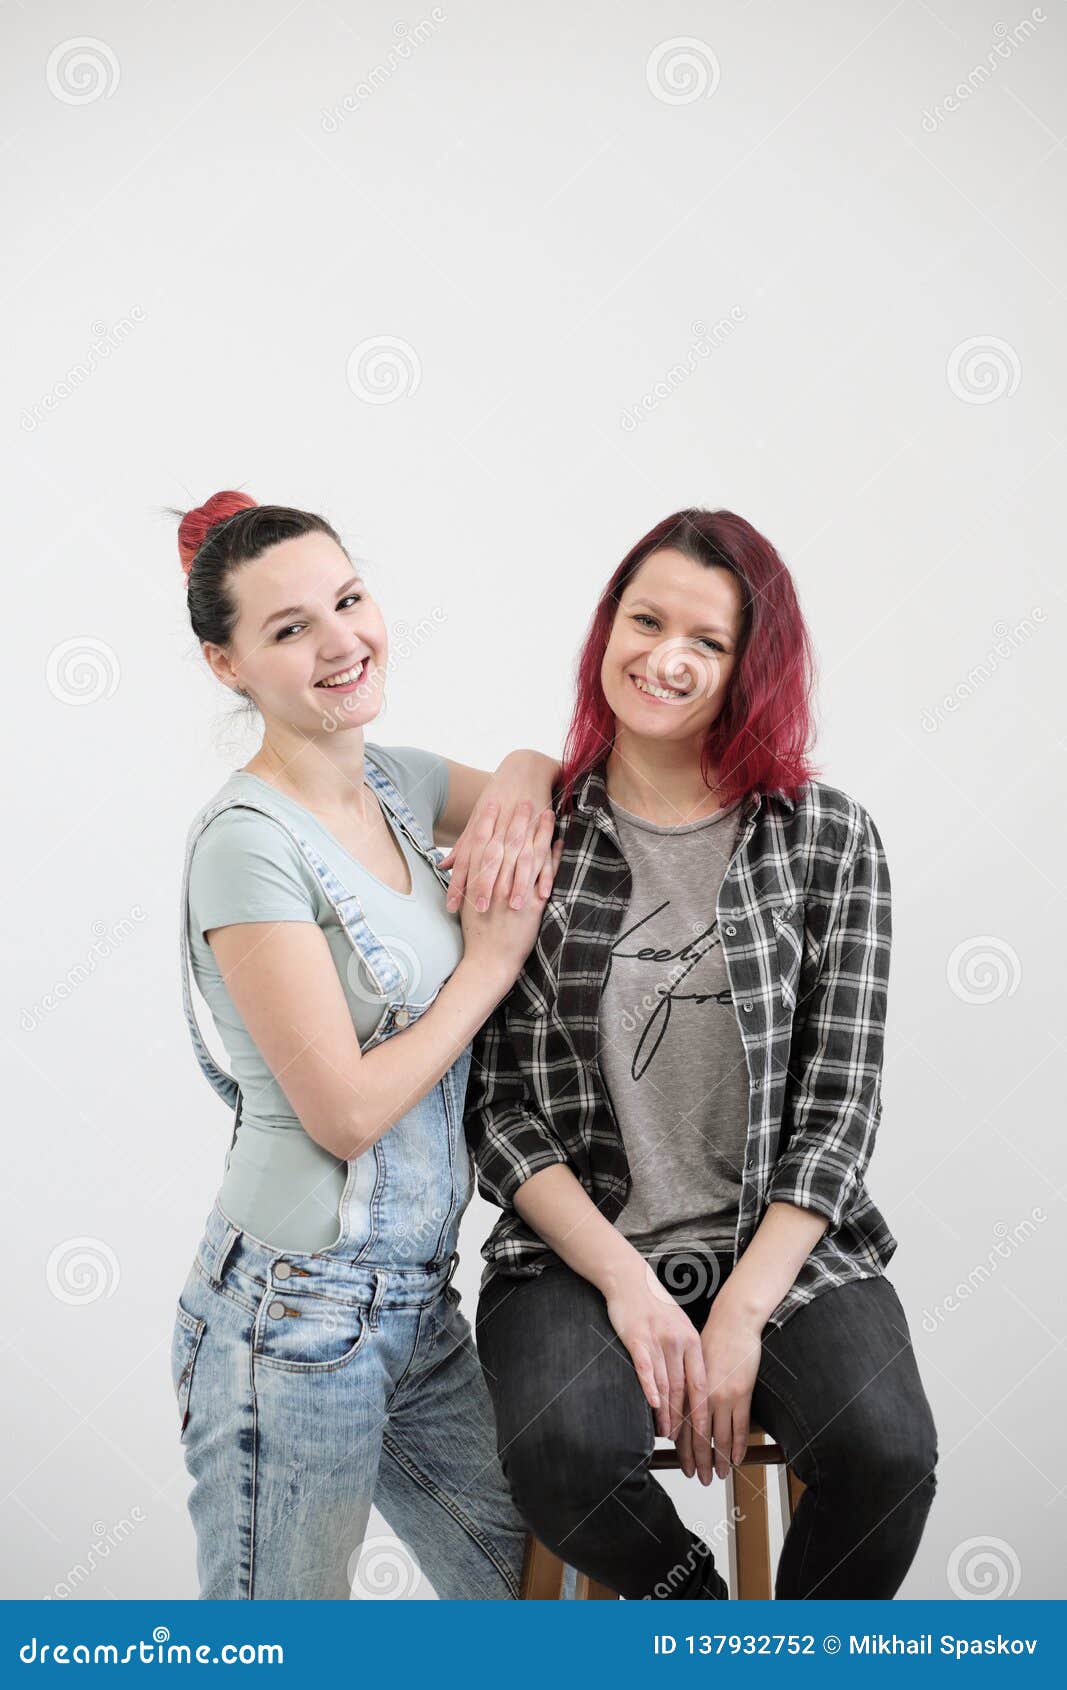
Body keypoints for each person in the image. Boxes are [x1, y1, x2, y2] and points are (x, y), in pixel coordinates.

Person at [467, 507, 939, 1600]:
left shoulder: (826, 837)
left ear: (746, 669)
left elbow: (837, 1111)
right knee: (562, 1456)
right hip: (577, 1258)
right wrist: (627, 1281)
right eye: (643, 620)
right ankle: (701, 1631)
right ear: (605, 629)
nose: (663, 658)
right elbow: (496, 1109)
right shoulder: (536, 833)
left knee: (884, 1456)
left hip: (785, 1251)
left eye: (707, 641)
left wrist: (736, 1311)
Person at [168, 490, 561, 1599]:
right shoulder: (244, 847)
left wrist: (527, 761)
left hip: (413, 1308)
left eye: (347, 599)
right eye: (289, 628)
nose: (341, 640)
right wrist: (485, 963)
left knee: (544, 1603)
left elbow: (556, 799)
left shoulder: (400, 783)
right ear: (225, 664)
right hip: (289, 1319)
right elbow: (341, 1112)